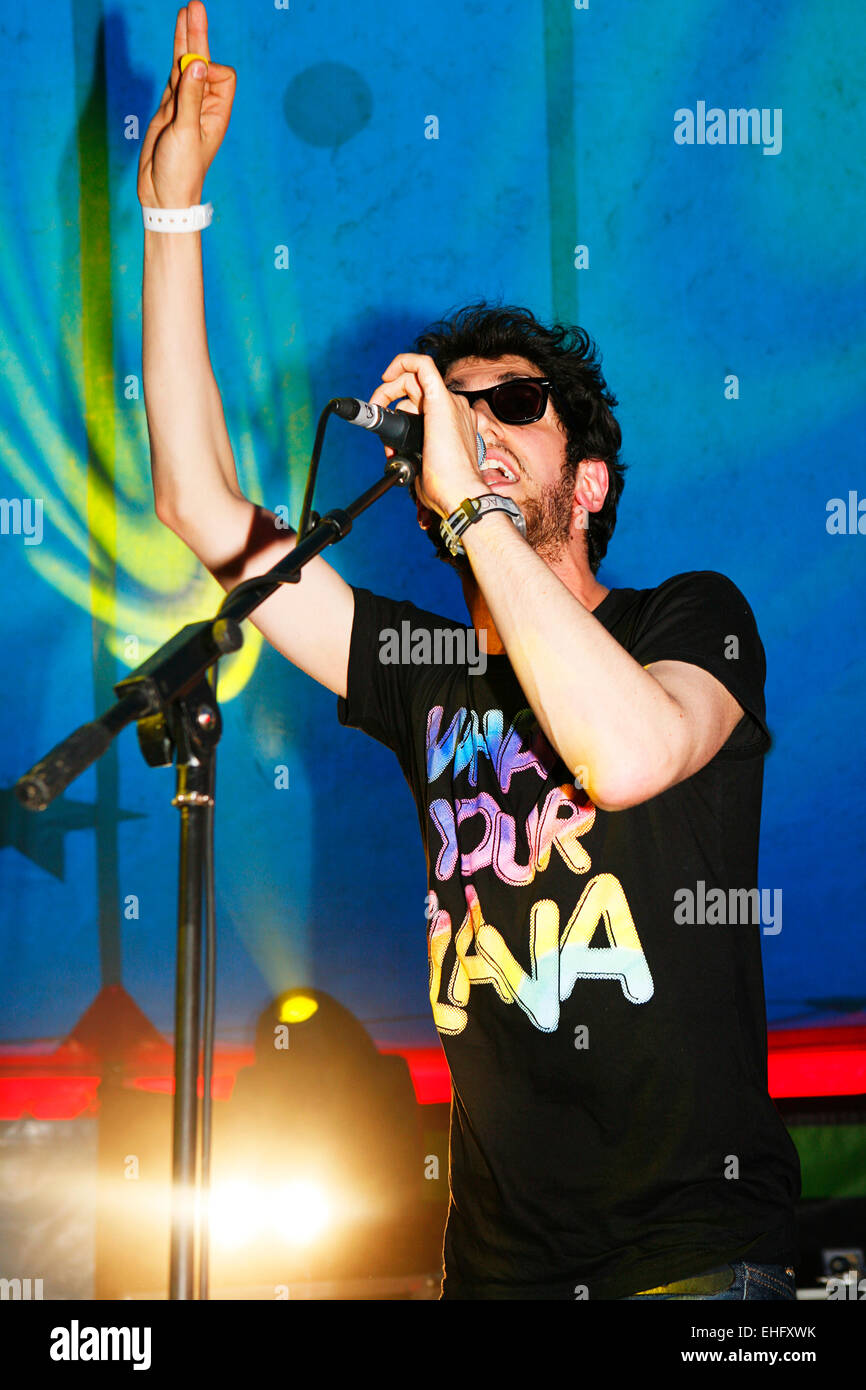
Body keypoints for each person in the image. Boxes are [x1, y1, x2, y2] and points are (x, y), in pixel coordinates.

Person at [140, 2, 801, 1300]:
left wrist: (475, 504)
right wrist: (173, 214)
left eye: (513, 403)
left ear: (592, 476)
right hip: (496, 1273)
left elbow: (625, 753)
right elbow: (201, 507)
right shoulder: (423, 671)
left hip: (693, 1264)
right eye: (454, 406)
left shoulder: (689, 617)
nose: (479, 422)